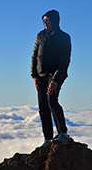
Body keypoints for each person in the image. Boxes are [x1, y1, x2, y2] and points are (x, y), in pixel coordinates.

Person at [31, 10, 72, 146]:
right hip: (40, 75)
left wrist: (56, 80)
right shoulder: (40, 36)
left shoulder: (64, 37)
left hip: (55, 75)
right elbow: (34, 56)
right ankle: (47, 139)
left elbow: (64, 61)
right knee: (43, 106)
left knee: (52, 100)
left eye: (47, 20)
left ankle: (63, 133)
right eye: (43, 20)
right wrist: (34, 76)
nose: (44, 23)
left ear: (54, 21)